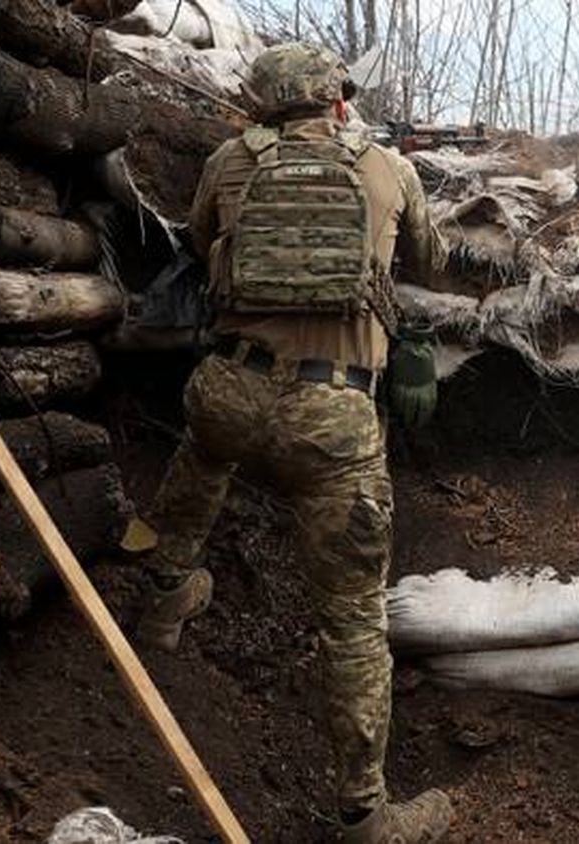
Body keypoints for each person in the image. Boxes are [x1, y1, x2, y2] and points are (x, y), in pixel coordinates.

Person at [130, 42, 453, 843]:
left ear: (264, 102)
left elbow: (204, 244)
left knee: (198, 467)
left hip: (230, 390)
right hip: (331, 416)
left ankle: (164, 597)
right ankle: (365, 813)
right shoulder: (385, 168)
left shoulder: (228, 161)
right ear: (336, 100)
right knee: (352, 619)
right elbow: (433, 262)